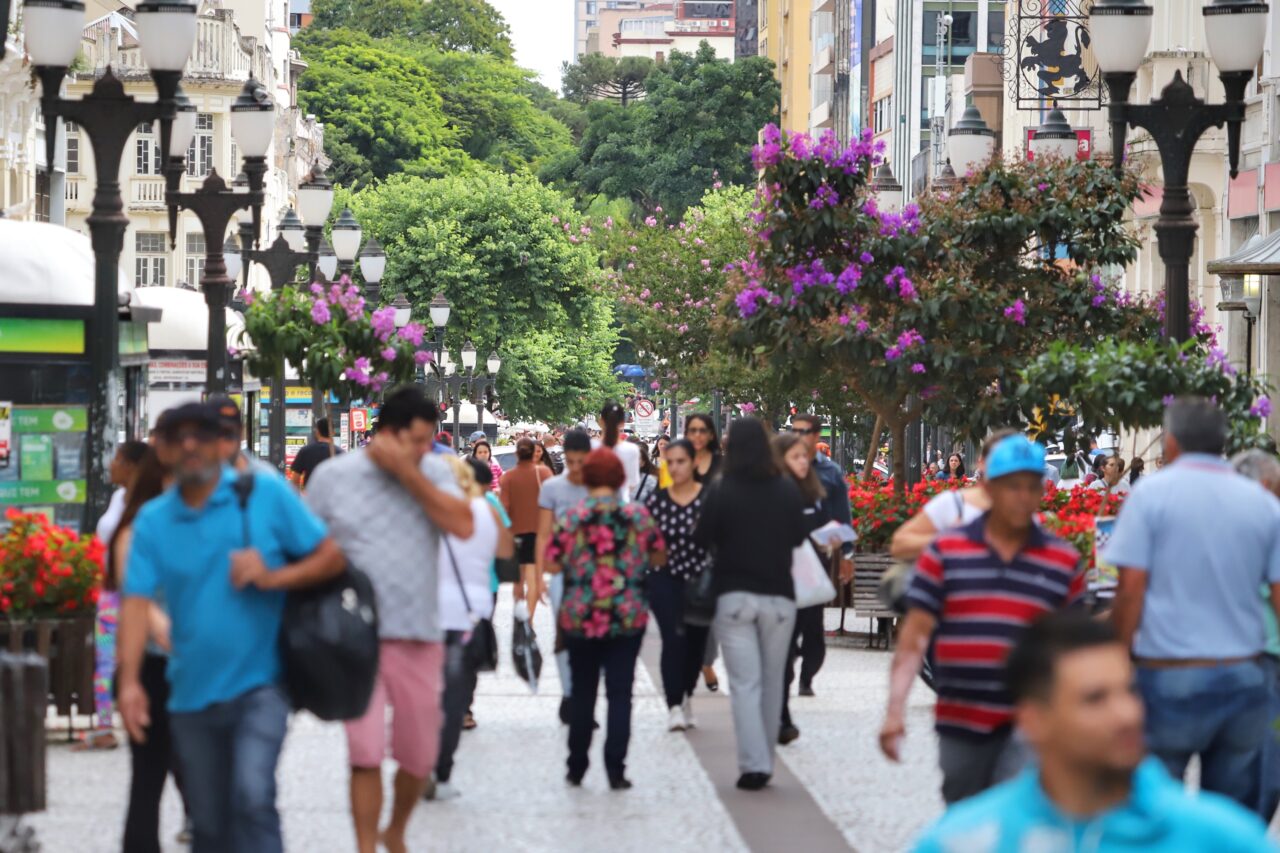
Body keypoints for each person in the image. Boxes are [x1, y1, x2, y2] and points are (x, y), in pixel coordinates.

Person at [117, 402, 346, 853]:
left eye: (200, 436)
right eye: (177, 438)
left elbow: (331, 556)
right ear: (162, 451)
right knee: (209, 822)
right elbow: (135, 603)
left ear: (222, 445)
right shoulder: (153, 521)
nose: (190, 447)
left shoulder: (265, 495)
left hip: (262, 686)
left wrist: (273, 576)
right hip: (189, 694)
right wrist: (128, 682)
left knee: (252, 794)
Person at [913, 612, 1276, 852]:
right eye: (1095, 699)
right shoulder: (962, 841)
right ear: (1033, 719)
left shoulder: (1223, 839)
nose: (1126, 714)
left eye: (1129, 691)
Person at [303, 387, 474, 853]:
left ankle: (395, 829)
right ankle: (364, 846)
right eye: (417, 440)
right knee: (364, 751)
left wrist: (410, 474)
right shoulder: (334, 477)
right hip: (355, 636)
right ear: (388, 434)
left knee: (420, 755)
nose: (425, 449)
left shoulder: (435, 473)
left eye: (428, 441)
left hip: (418, 632)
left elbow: (463, 525)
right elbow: (306, 545)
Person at [880, 435, 1085, 805]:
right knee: (964, 818)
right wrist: (895, 710)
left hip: (1031, 721)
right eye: (1012, 486)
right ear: (989, 487)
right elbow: (914, 636)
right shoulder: (946, 551)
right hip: (962, 717)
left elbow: (1075, 649)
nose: (1023, 496)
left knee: (1017, 820)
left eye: (1032, 486)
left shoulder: (1062, 561)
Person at [1105, 398, 1280, 813]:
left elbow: (1130, 589)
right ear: (1223, 442)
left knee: (1157, 809)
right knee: (1231, 816)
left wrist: (1116, 659)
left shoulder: (1149, 497)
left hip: (1169, 675)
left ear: (1170, 441)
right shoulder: (1263, 504)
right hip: (1243, 675)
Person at [695, 417, 808, 791]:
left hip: (734, 596)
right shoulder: (786, 490)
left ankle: (753, 764)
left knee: (744, 683)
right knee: (774, 681)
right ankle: (767, 760)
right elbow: (797, 539)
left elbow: (702, 538)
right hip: (779, 597)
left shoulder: (721, 488)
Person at [546, 448, 666, 789]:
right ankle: (616, 768)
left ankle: (576, 765)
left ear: (587, 476)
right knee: (620, 693)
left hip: (581, 615)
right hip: (626, 616)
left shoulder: (572, 517)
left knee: (583, 692)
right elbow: (659, 555)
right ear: (619, 478)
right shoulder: (638, 516)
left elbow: (552, 564)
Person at [107, 447, 188, 853]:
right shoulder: (136, 530)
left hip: (201, 669)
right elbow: (135, 597)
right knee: (150, 777)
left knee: (197, 777)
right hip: (152, 668)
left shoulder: (200, 524)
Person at [430, 456, 510, 802]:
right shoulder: (485, 510)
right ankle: (442, 770)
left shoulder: (431, 511)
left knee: (429, 694)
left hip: (429, 615)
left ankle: (419, 763)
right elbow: (507, 552)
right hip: (471, 615)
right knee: (455, 696)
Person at [644, 438, 713, 732]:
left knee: (696, 645)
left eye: (681, 461)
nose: (675, 467)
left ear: (695, 463)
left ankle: (686, 695)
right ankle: (674, 704)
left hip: (701, 582)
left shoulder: (709, 499)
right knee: (673, 640)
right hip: (665, 578)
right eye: (669, 462)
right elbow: (645, 540)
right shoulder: (657, 501)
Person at [787, 415, 855, 698]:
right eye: (794, 431)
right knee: (788, 614)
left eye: (804, 431)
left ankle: (807, 676)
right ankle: (787, 664)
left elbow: (842, 515)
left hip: (816, 554)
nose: (799, 435)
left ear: (816, 435)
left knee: (813, 617)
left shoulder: (829, 471)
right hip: (785, 553)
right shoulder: (782, 467)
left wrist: (848, 555)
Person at [1231, 448, 1280, 821]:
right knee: (1267, 765)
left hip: (1232, 655)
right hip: (1268, 657)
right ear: (1265, 484)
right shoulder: (1269, 519)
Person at [774, 431, 829, 746]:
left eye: (803, 457)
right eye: (795, 457)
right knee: (781, 649)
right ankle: (781, 714)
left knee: (812, 631)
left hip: (809, 576)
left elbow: (824, 522)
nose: (802, 463)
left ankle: (806, 675)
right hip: (779, 581)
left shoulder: (813, 491)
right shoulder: (769, 493)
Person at [889, 430, 1020, 563]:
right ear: (981, 464)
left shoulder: (1023, 511)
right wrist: (954, 540)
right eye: (997, 460)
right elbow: (900, 544)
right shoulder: (951, 502)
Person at [536, 429, 594, 724]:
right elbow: (543, 533)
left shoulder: (600, 486)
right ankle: (570, 693)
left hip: (597, 574)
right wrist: (536, 578)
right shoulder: (553, 488)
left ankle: (586, 696)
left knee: (592, 637)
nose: (575, 468)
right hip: (562, 571)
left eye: (580, 462)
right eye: (570, 461)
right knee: (564, 636)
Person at [499, 438, 552, 619]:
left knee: (518, 581)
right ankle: (529, 620)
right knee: (533, 578)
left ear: (517, 453)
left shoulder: (507, 477)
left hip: (515, 534)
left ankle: (519, 617)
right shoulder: (544, 473)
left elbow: (503, 508)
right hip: (537, 533)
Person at [600, 401, 641, 500]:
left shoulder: (591, 447)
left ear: (600, 421)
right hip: (622, 504)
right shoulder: (632, 449)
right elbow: (633, 483)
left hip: (595, 505)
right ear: (623, 423)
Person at [289, 417, 341, 488]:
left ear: (317, 432)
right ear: (333, 432)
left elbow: (295, 480)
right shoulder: (340, 453)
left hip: (310, 496)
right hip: (333, 497)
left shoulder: (305, 451)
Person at [684, 413, 721, 483]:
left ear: (711, 435)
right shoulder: (674, 460)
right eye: (693, 430)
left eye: (703, 431)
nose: (697, 435)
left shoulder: (724, 464)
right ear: (686, 434)